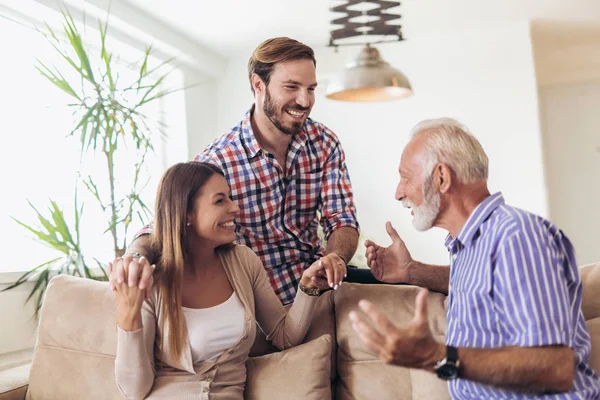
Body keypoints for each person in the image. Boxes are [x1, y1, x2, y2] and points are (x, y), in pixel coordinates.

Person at [349, 118, 600, 398]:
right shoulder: (472, 245)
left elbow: (555, 369)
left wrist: (436, 356)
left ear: (441, 177)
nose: (399, 193)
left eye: (406, 177)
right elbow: (487, 286)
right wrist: (411, 271)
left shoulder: (516, 237)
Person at [122, 36, 380, 306]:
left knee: (402, 288)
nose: (304, 101)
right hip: (262, 304)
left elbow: (341, 219)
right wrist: (136, 258)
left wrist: (335, 258)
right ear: (259, 85)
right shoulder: (218, 160)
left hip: (321, 287)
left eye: (311, 88)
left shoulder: (324, 142)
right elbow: (164, 224)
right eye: (291, 87)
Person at [109, 161, 344, 399]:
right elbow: (133, 389)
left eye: (230, 198)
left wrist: (309, 286)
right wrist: (129, 313)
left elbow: (284, 335)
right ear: (186, 213)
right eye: (220, 200)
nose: (235, 208)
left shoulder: (243, 262)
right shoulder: (153, 281)